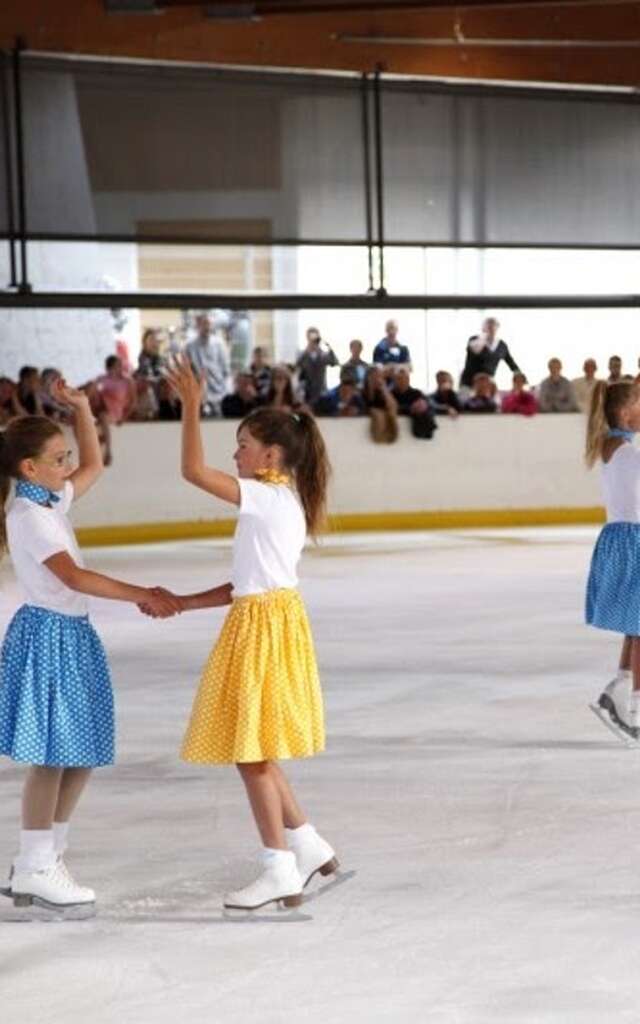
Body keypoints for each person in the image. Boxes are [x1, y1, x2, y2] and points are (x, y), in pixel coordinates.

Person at [153, 356, 337, 911]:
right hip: (263, 619)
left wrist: (189, 406)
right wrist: (183, 603)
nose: (235, 456)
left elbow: (191, 472)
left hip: (262, 628)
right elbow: (245, 581)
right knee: (253, 746)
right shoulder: (279, 498)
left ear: (271, 456)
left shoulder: (266, 495)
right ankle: (307, 843)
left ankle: (279, 867)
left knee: (250, 751)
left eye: (242, 446)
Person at [0, 384, 178, 916]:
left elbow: (96, 464)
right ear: (29, 468)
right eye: (59, 460)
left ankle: (47, 855)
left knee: (81, 751)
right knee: (53, 755)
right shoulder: (28, 516)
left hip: (72, 634)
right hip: (50, 634)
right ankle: (34, 863)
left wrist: (81, 410)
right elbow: (73, 576)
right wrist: (142, 594)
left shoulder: (49, 498)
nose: (69, 465)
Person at [585, 379, 640, 744]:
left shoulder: (613, 445)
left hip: (620, 540)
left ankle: (618, 692)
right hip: (633, 540)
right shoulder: (629, 452)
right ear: (625, 411)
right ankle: (634, 704)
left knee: (635, 626)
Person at [186, 314, 231, 418]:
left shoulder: (219, 344)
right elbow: (188, 369)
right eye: (204, 324)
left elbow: (225, 369)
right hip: (199, 393)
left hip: (219, 392)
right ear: (198, 325)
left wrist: (225, 388)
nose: (207, 327)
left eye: (209, 324)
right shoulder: (189, 346)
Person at [459, 318, 520, 391]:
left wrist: (519, 375)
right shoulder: (474, 340)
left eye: (493, 326)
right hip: (469, 382)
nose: (491, 329)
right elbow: (476, 350)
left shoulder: (502, 345)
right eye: (488, 326)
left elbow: (511, 363)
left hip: (487, 384)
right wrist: (484, 337)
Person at [295, 328, 339, 406]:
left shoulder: (323, 354)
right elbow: (297, 365)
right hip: (307, 392)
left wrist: (329, 348)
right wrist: (307, 350)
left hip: (321, 390)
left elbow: (334, 363)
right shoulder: (303, 353)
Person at [391, 368, 437, 438]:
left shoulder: (416, 393)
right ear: (395, 380)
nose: (402, 381)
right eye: (399, 378)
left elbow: (429, 405)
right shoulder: (391, 394)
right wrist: (410, 408)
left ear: (408, 380)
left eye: (405, 378)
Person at [95, 356, 137, 425]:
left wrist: (124, 418)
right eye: (117, 366)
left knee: (103, 417)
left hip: (119, 414)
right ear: (110, 368)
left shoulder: (127, 381)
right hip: (105, 413)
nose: (120, 368)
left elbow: (133, 401)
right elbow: (97, 393)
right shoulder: (103, 380)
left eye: (120, 365)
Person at [363, 365, 398, 443]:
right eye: (375, 376)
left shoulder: (384, 391)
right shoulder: (362, 391)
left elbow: (393, 406)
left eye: (380, 376)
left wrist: (384, 388)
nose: (377, 379)